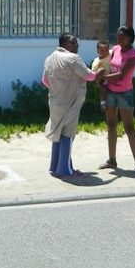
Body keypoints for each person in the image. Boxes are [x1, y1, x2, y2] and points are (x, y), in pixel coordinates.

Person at [43, 33, 101, 177]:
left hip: (55, 102)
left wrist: (58, 88)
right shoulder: (73, 58)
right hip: (70, 103)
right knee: (68, 135)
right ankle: (65, 169)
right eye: (73, 42)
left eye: (76, 43)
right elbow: (89, 76)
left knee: (57, 132)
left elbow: (44, 81)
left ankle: (55, 166)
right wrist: (100, 72)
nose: (76, 45)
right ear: (64, 44)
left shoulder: (50, 58)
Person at [99, 25, 135, 174]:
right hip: (111, 92)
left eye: (123, 37)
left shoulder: (134, 55)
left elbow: (122, 75)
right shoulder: (116, 49)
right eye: (118, 37)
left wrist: (101, 77)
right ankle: (112, 160)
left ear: (130, 38)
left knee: (129, 128)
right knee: (111, 125)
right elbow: (109, 65)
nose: (119, 39)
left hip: (125, 93)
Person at [91, 39, 112, 109]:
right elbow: (94, 72)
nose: (104, 52)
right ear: (98, 51)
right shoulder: (96, 61)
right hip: (101, 79)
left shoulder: (110, 55)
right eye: (102, 50)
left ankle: (105, 103)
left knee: (106, 91)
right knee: (103, 90)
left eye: (106, 50)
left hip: (110, 76)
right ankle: (102, 103)